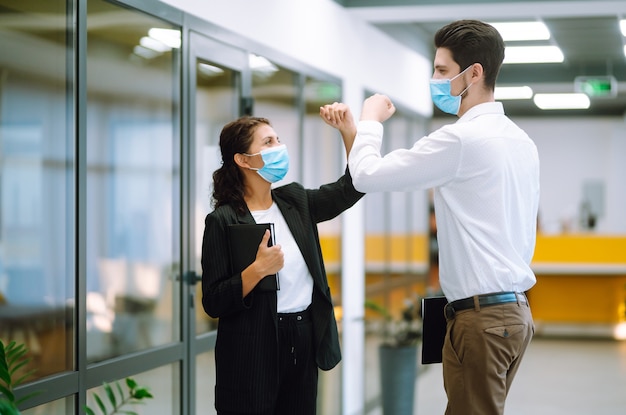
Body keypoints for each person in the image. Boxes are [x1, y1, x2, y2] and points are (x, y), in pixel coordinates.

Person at [321, 19, 539, 415]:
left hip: (483, 321)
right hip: (510, 314)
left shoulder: (460, 140)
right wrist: (353, 133)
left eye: (441, 70)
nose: (434, 79)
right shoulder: (520, 142)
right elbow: (378, 175)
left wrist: (370, 118)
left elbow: (369, 175)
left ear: (474, 73)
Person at [201, 114, 363, 415]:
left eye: (278, 139)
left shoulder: (295, 201)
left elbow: (350, 188)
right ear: (243, 160)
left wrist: (349, 132)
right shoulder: (222, 220)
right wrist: (257, 270)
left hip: (302, 335)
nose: (279, 146)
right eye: (269, 142)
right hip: (252, 347)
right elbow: (213, 301)